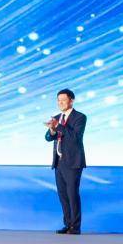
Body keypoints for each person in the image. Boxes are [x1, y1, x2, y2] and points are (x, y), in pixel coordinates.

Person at [44, 88, 86, 234]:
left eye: (63, 100)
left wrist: (58, 126)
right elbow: (48, 138)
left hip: (73, 162)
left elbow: (75, 138)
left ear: (71, 101)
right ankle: (67, 224)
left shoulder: (80, 117)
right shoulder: (57, 117)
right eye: (58, 100)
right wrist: (52, 130)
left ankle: (75, 227)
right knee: (63, 195)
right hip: (59, 162)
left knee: (72, 194)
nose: (60, 103)